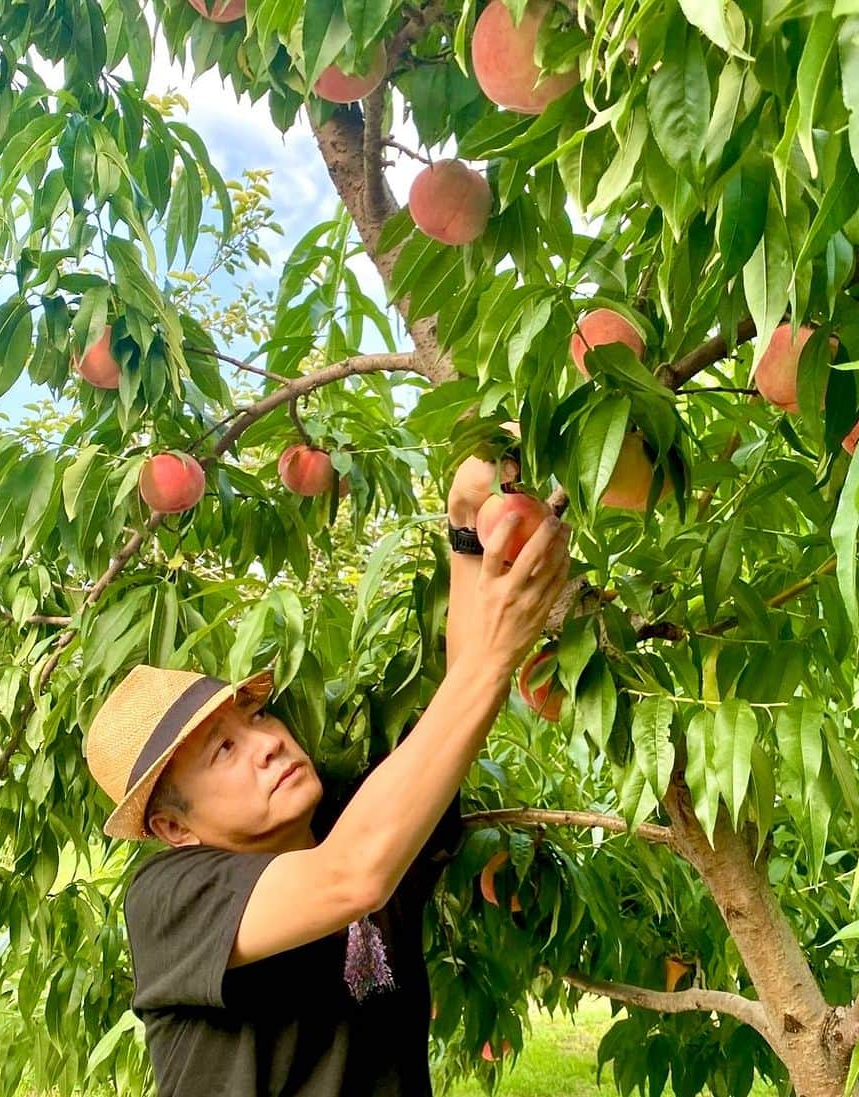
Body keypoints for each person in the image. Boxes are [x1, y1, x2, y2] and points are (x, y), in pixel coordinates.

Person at [83, 455, 571, 1096]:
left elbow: (458, 702)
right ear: (174, 826)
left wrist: (465, 532)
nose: (267, 744)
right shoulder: (170, 899)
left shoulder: (351, 819)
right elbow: (350, 877)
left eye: (256, 718)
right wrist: (499, 658)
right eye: (223, 752)